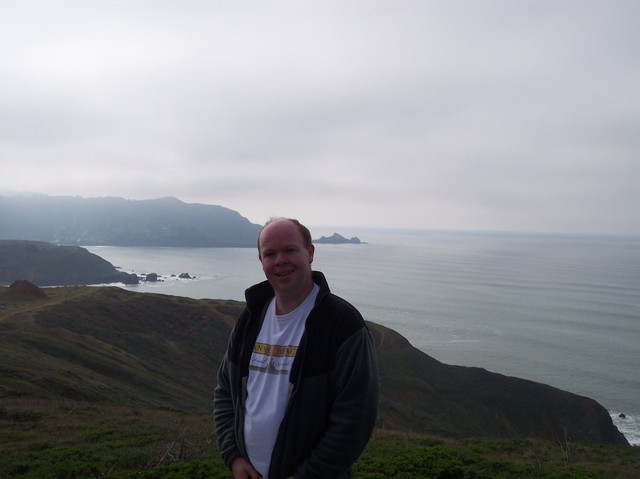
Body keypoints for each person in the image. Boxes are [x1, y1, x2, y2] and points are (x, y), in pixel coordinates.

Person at [213, 217, 379, 479]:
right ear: (261, 261)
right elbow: (225, 393)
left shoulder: (343, 324)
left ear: (310, 253)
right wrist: (233, 457)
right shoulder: (250, 318)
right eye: (270, 254)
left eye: (290, 250)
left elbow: (355, 419)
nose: (280, 260)